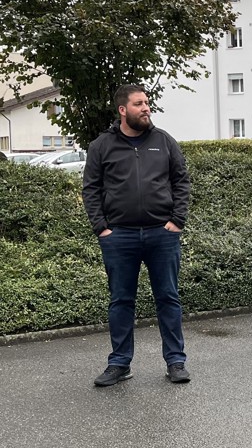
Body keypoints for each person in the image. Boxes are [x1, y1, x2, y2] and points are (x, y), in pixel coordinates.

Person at [82, 84, 192, 386]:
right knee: (121, 301)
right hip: (120, 237)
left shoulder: (164, 141)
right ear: (122, 110)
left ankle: (176, 361)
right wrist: (102, 228)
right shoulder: (102, 146)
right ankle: (119, 364)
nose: (146, 108)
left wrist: (177, 221)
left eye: (147, 103)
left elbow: (181, 181)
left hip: (162, 234)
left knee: (168, 298)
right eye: (139, 104)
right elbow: (91, 189)